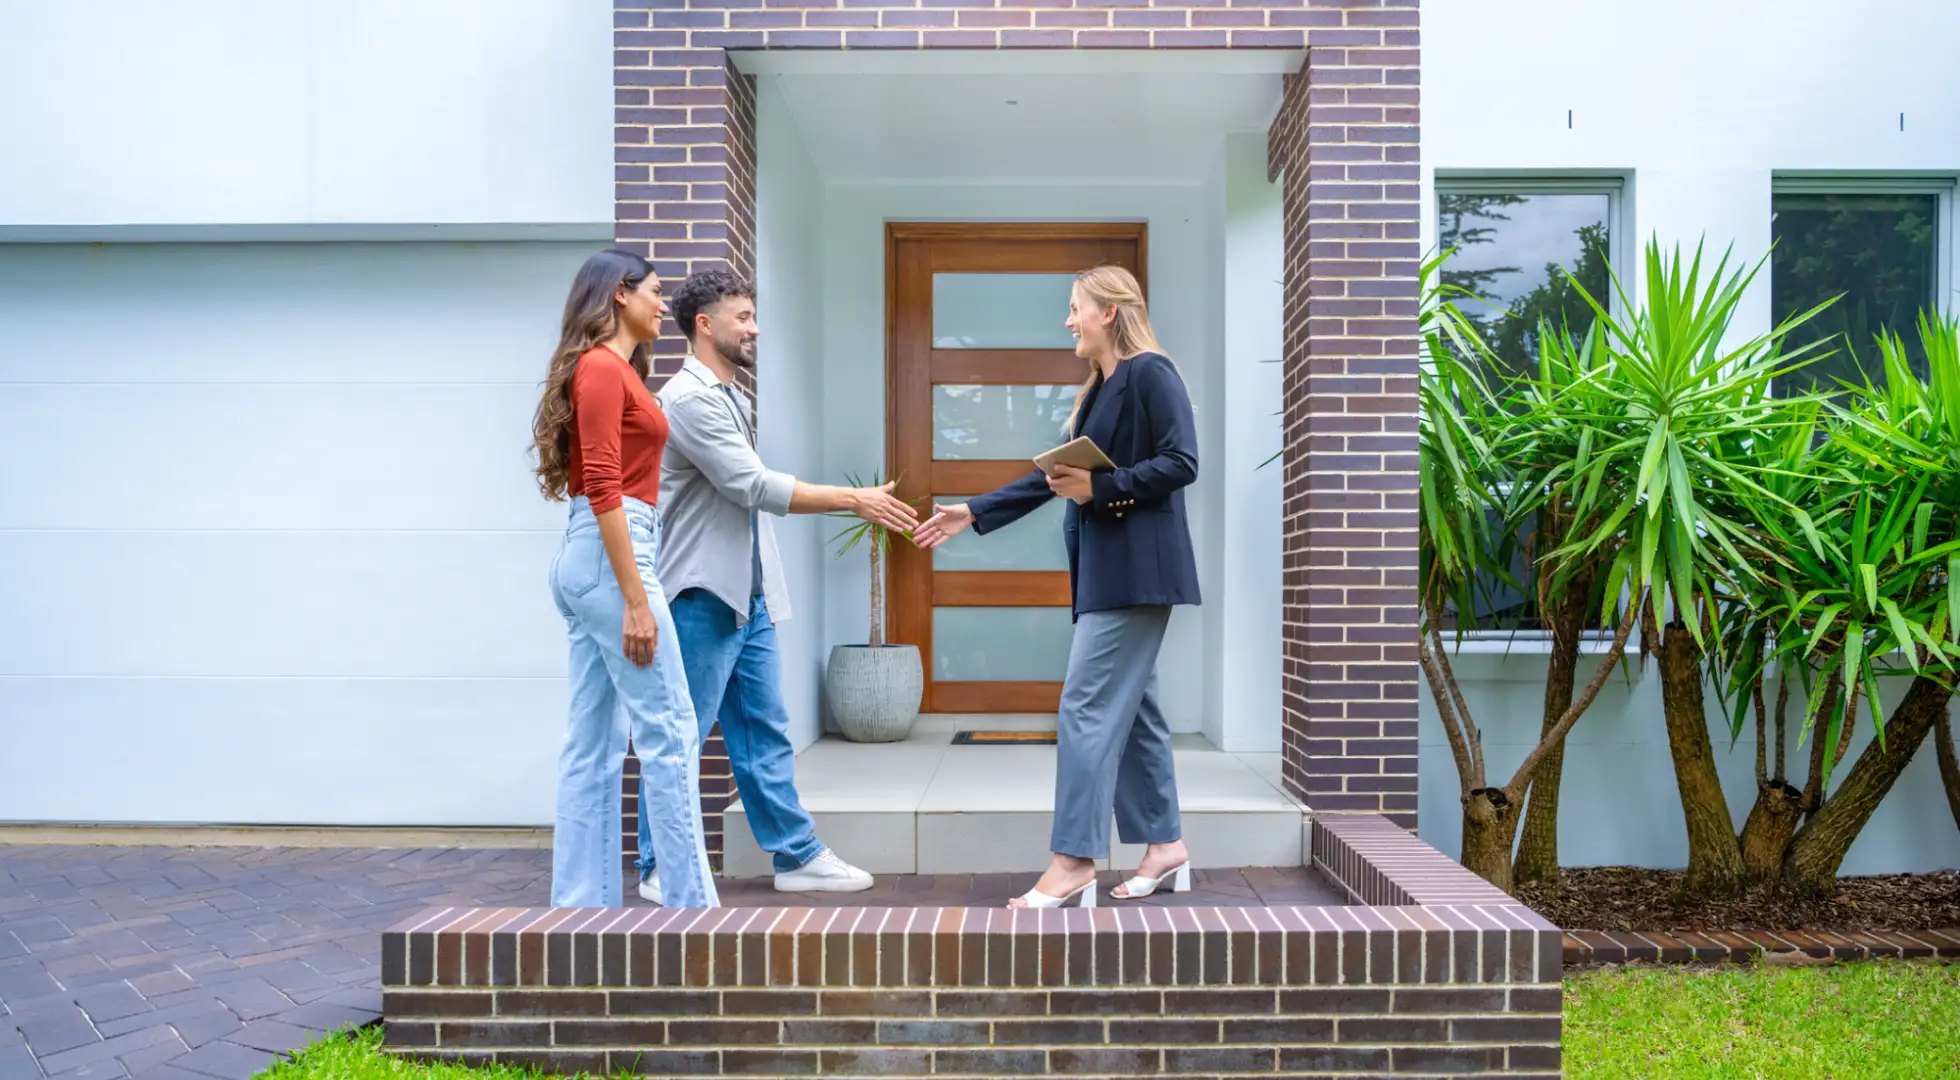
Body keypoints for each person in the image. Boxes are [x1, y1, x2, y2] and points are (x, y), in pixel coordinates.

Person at [913, 266, 1201, 909]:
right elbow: (1055, 477)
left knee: (1085, 708)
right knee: (1135, 714)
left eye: (1076, 309)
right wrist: (975, 510)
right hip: (1110, 573)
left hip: (1137, 575)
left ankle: (1073, 859)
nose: (1068, 321)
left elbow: (1183, 461)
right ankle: (1164, 844)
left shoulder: (1152, 372)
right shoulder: (1103, 385)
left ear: (1110, 312)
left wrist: (1102, 487)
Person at [635, 267, 917, 900]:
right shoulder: (689, 399)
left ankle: (796, 857)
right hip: (702, 595)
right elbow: (751, 486)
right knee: (680, 731)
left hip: (747, 597)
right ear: (704, 325)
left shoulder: (732, 396)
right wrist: (855, 500)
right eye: (742, 316)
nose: (754, 326)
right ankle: (659, 867)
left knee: (765, 730)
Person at [531, 249, 717, 909]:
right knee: (671, 729)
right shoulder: (603, 370)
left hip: (593, 556)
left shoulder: (608, 370)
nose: (664, 305)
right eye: (656, 293)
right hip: (615, 556)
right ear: (619, 295)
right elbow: (607, 487)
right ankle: (695, 911)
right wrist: (637, 598)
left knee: (593, 740)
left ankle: (581, 910)